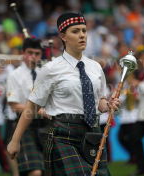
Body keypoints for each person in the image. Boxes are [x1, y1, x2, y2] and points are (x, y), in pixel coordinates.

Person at [7, 12, 120, 176]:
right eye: (75, 31)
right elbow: (32, 106)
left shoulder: (95, 67)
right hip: (63, 135)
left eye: (84, 30)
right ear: (63, 36)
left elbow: (99, 102)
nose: (82, 35)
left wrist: (109, 105)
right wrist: (15, 140)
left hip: (93, 133)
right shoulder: (51, 69)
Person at [6, 37, 49, 176]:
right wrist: (41, 111)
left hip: (47, 125)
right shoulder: (15, 75)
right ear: (23, 52)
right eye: (29, 52)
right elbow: (14, 106)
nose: (33, 57)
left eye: (37, 53)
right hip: (26, 126)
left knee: (49, 170)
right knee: (35, 172)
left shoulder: (45, 73)